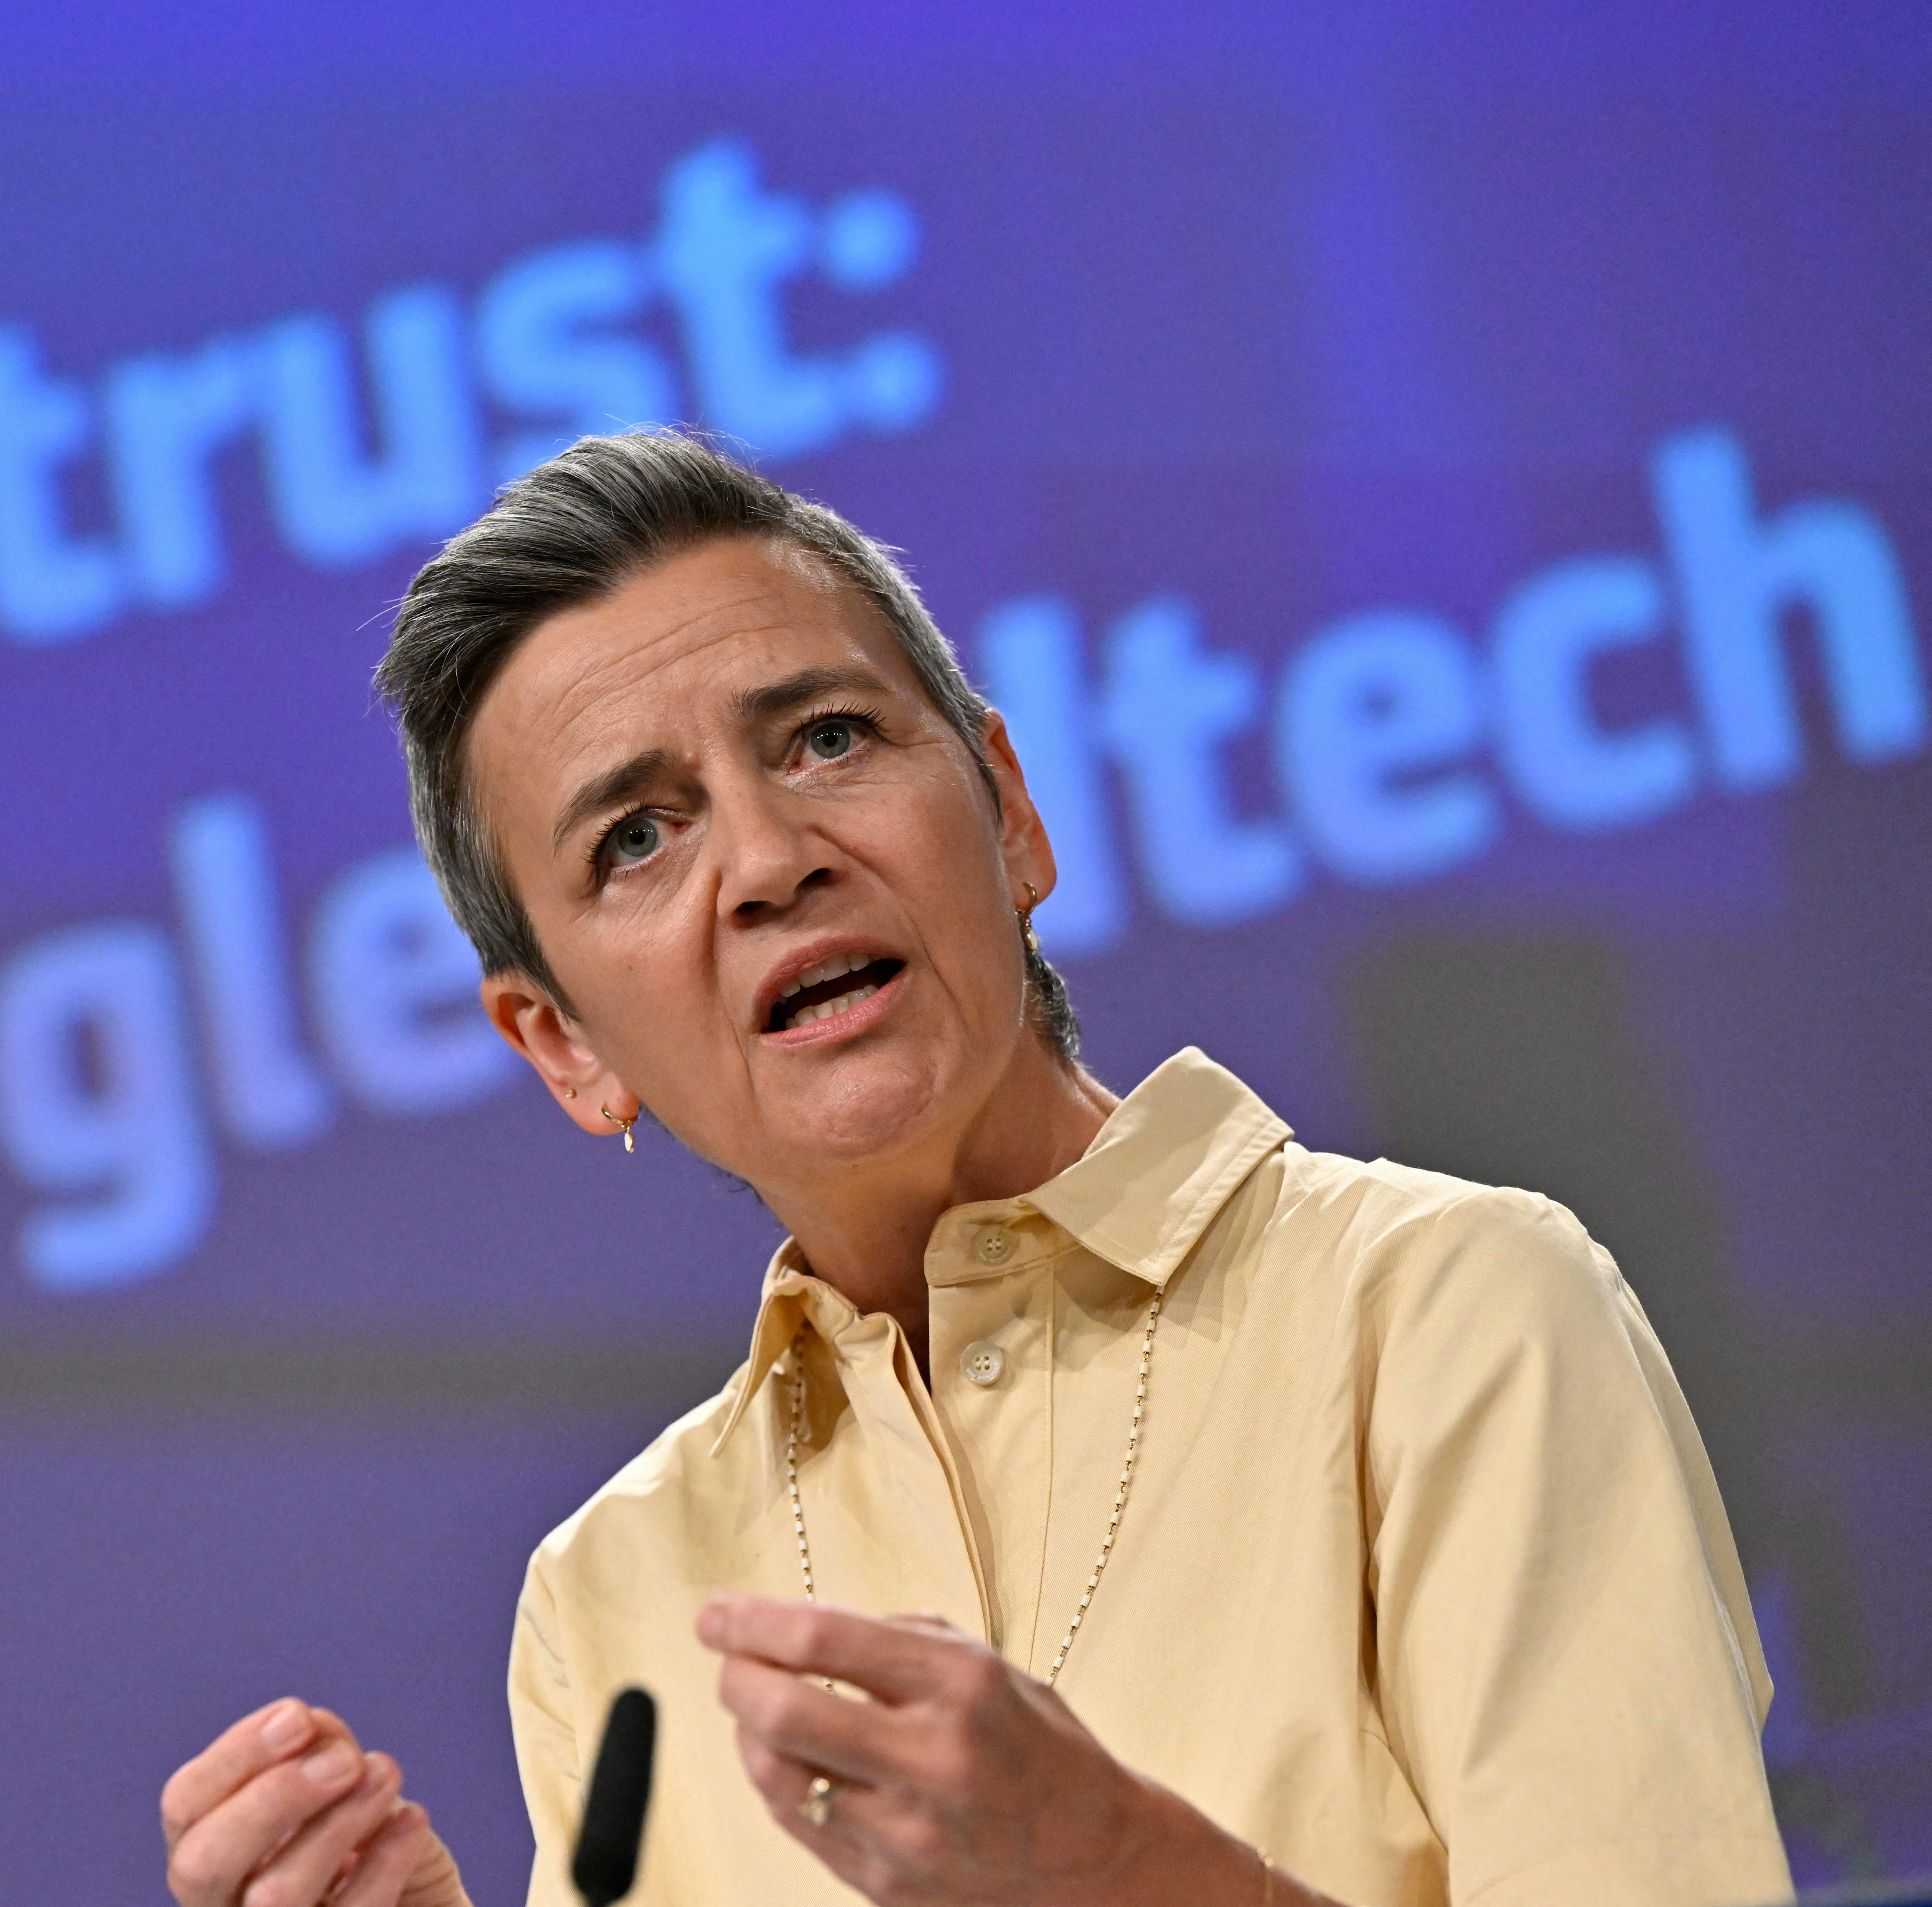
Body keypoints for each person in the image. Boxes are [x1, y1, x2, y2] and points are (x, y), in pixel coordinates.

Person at [159, 432, 1792, 1907]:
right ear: (564, 1047)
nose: (766, 857)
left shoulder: (1444, 1313)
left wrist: (1132, 1883)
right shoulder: (611, 1596)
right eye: (633, 840)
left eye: (821, 737)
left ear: (1006, 813)